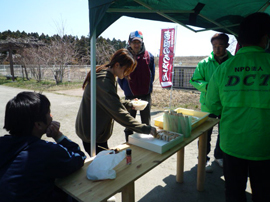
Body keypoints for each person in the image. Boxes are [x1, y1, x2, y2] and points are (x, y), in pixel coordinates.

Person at [205, 12, 270, 202]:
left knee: (234, 194)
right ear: (265, 38)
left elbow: (212, 105)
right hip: (264, 146)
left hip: (232, 145)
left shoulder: (224, 68)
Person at [0, 91, 86, 202]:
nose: (51, 116)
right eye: (49, 113)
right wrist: (58, 136)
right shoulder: (46, 152)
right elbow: (79, 158)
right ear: (39, 124)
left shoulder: (3, 143)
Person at [75, 48, 157, 156]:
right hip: (92, 134)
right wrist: (145, 128)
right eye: (126, 70)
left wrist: (130, 104)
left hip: (96, 131)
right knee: (103, 167)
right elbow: (118, 112)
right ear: (117, 65)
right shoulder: (103, 81)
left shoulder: (107, 73)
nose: (128, 74)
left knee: (106, 161)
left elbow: (109, 102)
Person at [190, 33, 233, 172]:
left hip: (227, 105)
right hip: (208, 105)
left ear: (227, 45)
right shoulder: (205, 63)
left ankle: (219, 156)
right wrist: (207, 86)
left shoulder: (234, 62)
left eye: (220, 45)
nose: (217, 49)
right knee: (205, 134)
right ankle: (203, 159)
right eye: (215, 46)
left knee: (224, 133)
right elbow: (195, 80)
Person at [118, 30, 155, 142]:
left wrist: (148, 89)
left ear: (142, 43)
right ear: (129, 42)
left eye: (138, 42)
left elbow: (152, 75)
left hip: (145, 96)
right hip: (130, 97)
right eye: (134, 42)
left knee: (146, 123)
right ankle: (129, 145)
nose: (136, 45)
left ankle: (146, 144)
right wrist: (126, 89)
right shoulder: (124, 57)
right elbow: (120, 77)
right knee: (129, 124)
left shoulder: (149, 56)